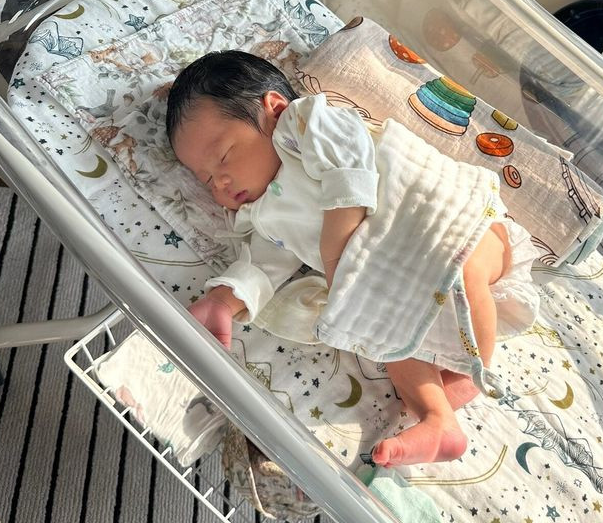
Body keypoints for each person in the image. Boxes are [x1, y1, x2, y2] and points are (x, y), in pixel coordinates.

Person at [166, 50, 539, 467]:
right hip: (406, 278)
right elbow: (265, 265)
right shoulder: (264, 216)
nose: (219, 182)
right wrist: (223, 298)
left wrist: (335, 252)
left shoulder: (305, 127)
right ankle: (439, 419)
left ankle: (474, 367)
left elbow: (351, 169)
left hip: (459, 222)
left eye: (223, 156)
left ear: (273, 109)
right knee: (388, 338)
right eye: (206, 179)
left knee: (464, 270)